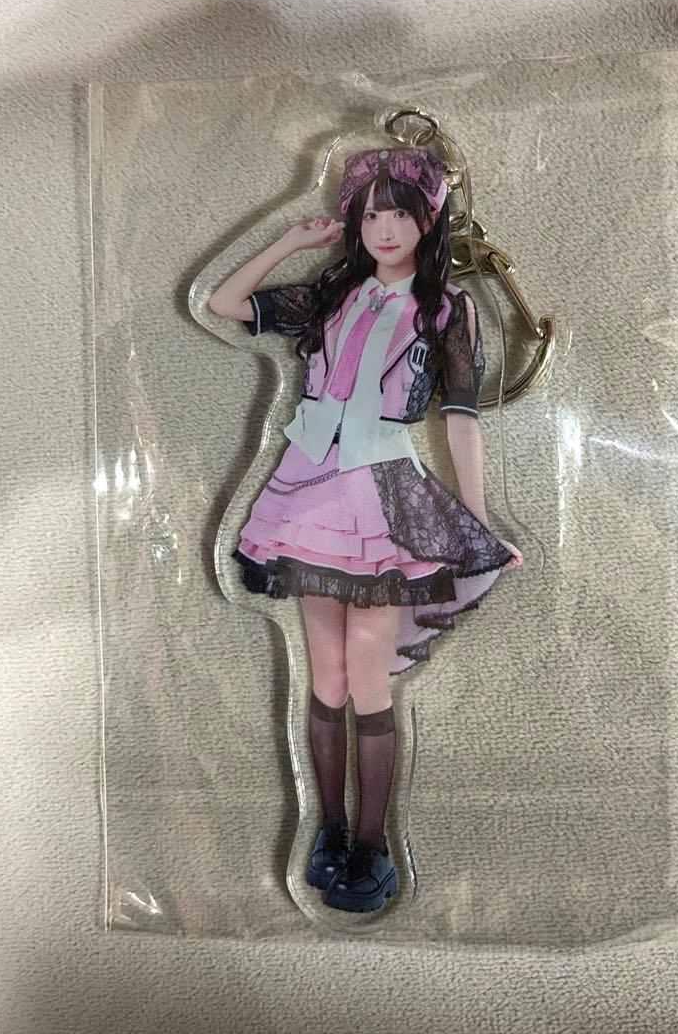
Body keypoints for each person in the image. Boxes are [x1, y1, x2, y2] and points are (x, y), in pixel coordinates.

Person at [206, 146, 522, 914]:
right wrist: (291, 241)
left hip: (383, 498)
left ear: (427, 223)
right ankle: (330, 832)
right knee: (328, 679)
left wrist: (473, 522)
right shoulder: (331, 295)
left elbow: (461, 418)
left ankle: (373, 847)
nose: (385, 228)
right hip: (308, 493)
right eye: (372, 213)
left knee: (368, 678)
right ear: (355, 220)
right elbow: (223, 303)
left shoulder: (446, 308)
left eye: (401, 214)